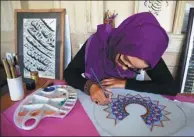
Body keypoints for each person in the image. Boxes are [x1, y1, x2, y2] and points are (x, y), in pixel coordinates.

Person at [64, 12, 178, 105]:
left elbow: (170, 88)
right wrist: (90, 87)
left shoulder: (149, 53)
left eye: (135, 68)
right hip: (93, 103)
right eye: (125, 60)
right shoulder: (98, 42)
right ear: (121, 42)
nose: (124, 68)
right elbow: (70, 73)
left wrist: (126, 84)